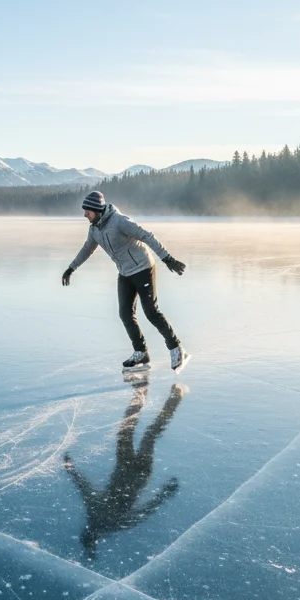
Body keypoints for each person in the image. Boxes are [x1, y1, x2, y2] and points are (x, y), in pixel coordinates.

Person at [62, 190, 188, 371]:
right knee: (125, 314)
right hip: (125, 273)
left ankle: (176, 348)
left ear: (96, 210)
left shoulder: (119, 221)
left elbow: (146, 235)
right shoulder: (94, 229)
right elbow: (87, 249)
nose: (85, 215)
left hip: (143, 268)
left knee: (151, 311)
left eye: (87, 211)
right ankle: (141, 352)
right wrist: (71, 268)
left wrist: (167, 258)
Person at [63, 380, 185, 562]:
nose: (89, 529)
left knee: (134, 431)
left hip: (126, 467)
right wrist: (165, 493)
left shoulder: (98, 515)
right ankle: (166, 395)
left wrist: (71, 469)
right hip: (139, 472)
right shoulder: (111, 521)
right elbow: (146, 510)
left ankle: (148, 392)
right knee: (144, 434)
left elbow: (83, 487)